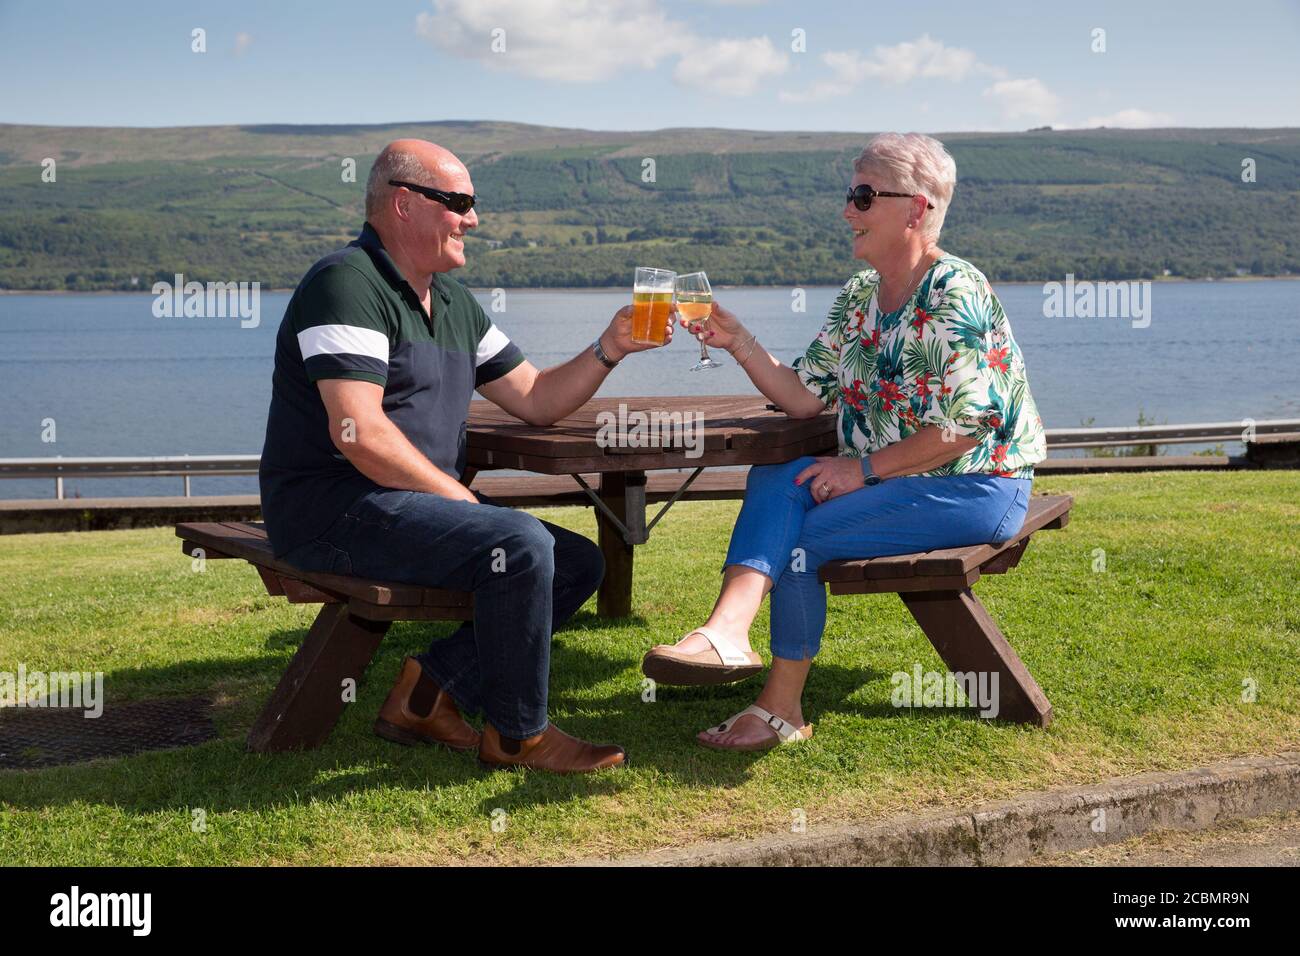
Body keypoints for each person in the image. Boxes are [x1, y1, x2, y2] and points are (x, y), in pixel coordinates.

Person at [259, 140, 671, 773]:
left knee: (577, 562)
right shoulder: (345, 285)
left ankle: (429, 691)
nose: (473, 220)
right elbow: (357, 433)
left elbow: (534, 398)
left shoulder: (453, 303)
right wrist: (459, 498)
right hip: (332, 510)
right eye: (459, 203)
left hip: (400, 505)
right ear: (403, 204)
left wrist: (610, 346)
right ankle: (516, 737)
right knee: (524, 544)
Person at [641, 132, 1047, 751]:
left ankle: (780, 710)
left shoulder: (954, 291)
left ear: (916, 208)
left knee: (800, 540)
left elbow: (964, 426)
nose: (846, 211)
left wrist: (865, 470)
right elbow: (805, 395)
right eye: (849, 196)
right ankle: (728, 628)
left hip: (976, 487)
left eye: (862, 197)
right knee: (778, 475)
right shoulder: (861, 296)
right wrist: (740, 341)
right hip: (907, 479)